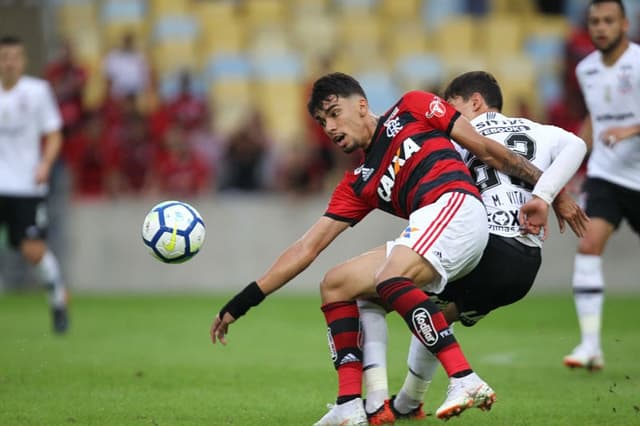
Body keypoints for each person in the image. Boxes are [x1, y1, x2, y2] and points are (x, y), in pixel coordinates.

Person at [210, 72, 553, 425]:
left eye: (333, 113)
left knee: (390, 276)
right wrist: (244, 301)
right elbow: (306, 248)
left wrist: (550, 190)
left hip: (459, 208)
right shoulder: (359, 182)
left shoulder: (412, 107)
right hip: (429, 228)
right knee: (337, 284)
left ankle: (464, 378)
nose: (329, 126)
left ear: (361, 105)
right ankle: (353, 405)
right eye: (321, 121)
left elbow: (485, 148)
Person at [356, 71, 588, 424]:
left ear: (475, 102)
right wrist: (547, 195)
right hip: (525, 265)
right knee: (436, 318)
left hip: (485, 247)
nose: (446, 115)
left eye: (452, 107)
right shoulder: (540, 131)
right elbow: (578, 145)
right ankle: (407, 405)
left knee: (374, 293)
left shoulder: (459, 139)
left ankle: (387, 400)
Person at [563, 0, 640, 371]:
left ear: (625, 24)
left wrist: (631, 129)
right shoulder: (586, 69)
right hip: (607, 174)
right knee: (589, 244)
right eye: (594, 21)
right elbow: (594, 116)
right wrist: (572, 157)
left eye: (608, 21)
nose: (601, 28)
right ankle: (590, 344)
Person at [0, 35, 69, 333]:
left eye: (14, 56)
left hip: (27, 184)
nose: (9, 62)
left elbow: (54, 134)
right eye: (4, 56)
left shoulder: (38, 91)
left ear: (23, 60)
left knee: (33, 251)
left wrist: (45, 164)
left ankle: (58, 301)